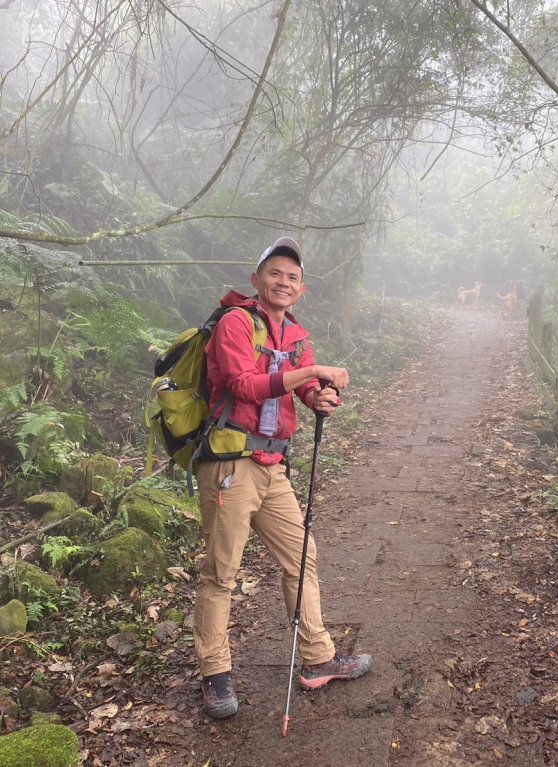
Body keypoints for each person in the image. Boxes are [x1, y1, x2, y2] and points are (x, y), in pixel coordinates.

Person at [193, 236, 372, 719]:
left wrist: (320, 397)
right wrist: (310, 371)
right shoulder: (235, 323)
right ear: (256, 280)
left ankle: (318, 658)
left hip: (273, 468)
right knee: (221, 573)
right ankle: (215, 675)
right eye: (275, 273)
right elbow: (244, 386)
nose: (283, 282)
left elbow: (306, 389)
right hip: (230, 464)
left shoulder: (294, 333)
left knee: (301, 557)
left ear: (301, 287)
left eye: (292, 277)